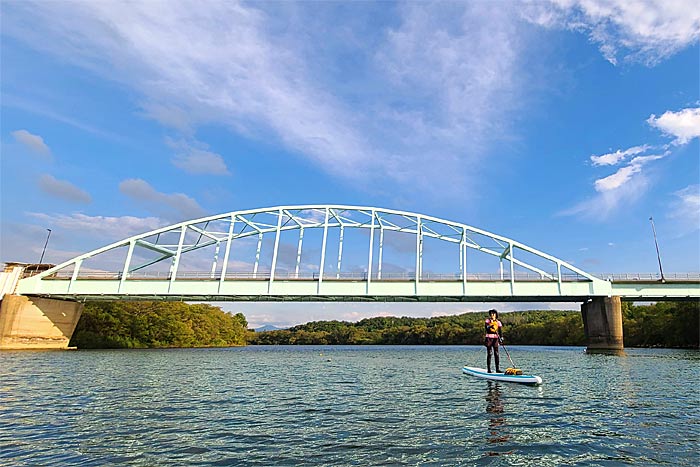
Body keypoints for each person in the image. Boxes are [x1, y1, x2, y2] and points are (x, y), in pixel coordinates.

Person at [484, 309, 503, 373]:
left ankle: (497, 369)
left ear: (496, 315)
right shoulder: (487, 321)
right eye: (491, 314)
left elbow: (500, 331)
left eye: (493, 314)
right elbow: (486, 328)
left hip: (496, 339)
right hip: (489, 338)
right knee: (489, 354)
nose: (492, 315)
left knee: (496, 354)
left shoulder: (498, 322)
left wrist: (501, 338)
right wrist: (490, 326)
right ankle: (489, 369)